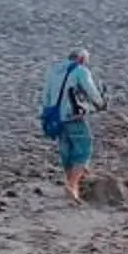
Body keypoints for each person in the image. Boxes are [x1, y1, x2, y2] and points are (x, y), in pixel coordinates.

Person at [41, 46, 104, 203]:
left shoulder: (54, 70)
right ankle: (73, 184)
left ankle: (70, 182)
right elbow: (91, 92)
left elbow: (45, 96)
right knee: (84, 148)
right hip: (72, 115)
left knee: (66, 150)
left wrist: (46, 116)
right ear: (81, 59)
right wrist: (101, 103)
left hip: (55, 117)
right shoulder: (80, 71)